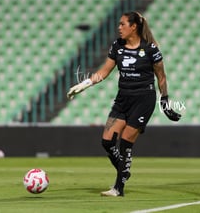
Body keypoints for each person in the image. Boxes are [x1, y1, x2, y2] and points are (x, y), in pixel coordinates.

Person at [67, 11, 181, 197]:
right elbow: (103, 72)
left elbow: (161, 76)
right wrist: (84, 84)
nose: (119, 28)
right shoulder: (117, 46)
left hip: (144, 99)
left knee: (125, 143)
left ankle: (118, 188)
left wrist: (165, 101)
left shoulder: (150, 49)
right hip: (123, 99)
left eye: (122, 24)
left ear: (133, 27)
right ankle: (124, 169)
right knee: (107, 141)